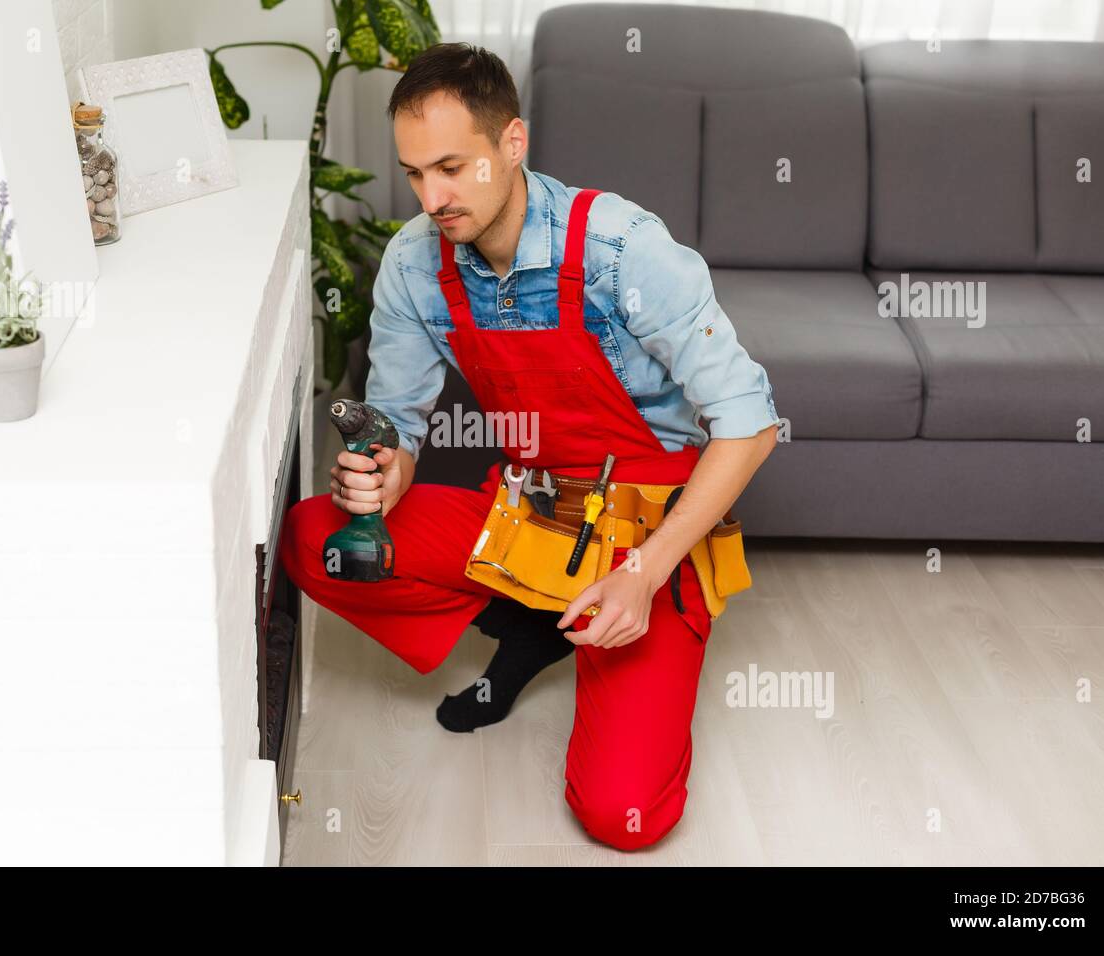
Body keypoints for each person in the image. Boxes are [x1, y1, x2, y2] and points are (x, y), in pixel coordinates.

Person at [280, 42, 778, 851]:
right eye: (414, 173)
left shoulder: (620, 248)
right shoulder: (414, 262)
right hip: (530, 516)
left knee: (624, 815)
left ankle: (568, 619)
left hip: (643, 535)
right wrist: (384, 471)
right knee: (315, 538)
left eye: (452, 167)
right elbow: (399, 422)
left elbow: (751, 422)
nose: (432, 198)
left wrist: (644, 576)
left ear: (512, 143)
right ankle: (533, 615)